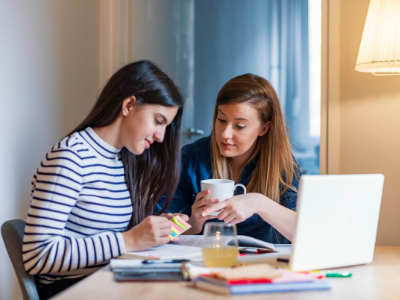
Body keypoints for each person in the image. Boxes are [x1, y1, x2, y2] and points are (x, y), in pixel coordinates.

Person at [23, 60, 186, 299]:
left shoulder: (121, 160)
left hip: (111, 282)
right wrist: (129, 241)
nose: (161, 136)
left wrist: (156, 231)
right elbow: (37, 256)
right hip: (75, 289)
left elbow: (107, 236)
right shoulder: (71, 157)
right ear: (129, 105)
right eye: (158, 121)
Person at [155, 73, 300, 244]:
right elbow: (160, 233)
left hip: (257, 265)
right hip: (203, 262)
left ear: (264, 128)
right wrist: (193, 224)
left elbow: (305, 234)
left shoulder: (279, 165)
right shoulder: (189, 159)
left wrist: (260, 204)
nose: (225, 134)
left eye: (239, 126)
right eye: (221, 120)